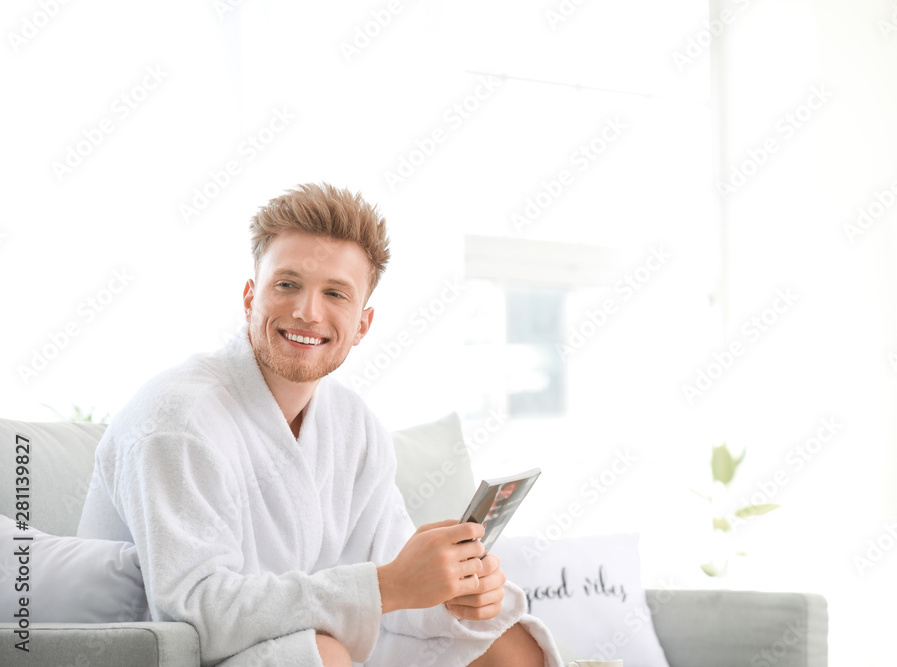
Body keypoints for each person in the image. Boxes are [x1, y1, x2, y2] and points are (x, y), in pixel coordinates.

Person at [77, 183, 559, 666]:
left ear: (362, 325)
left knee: (509, 646)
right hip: (162, 654)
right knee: (323, 654)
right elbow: (195, 613)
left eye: (335, 293)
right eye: (287, 284)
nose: (308, 311)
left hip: (286, 642)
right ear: (250, 298)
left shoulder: (353, 425)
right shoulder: (177, 419)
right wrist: (387, 585)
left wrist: (451, 592)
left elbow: (391, 579)